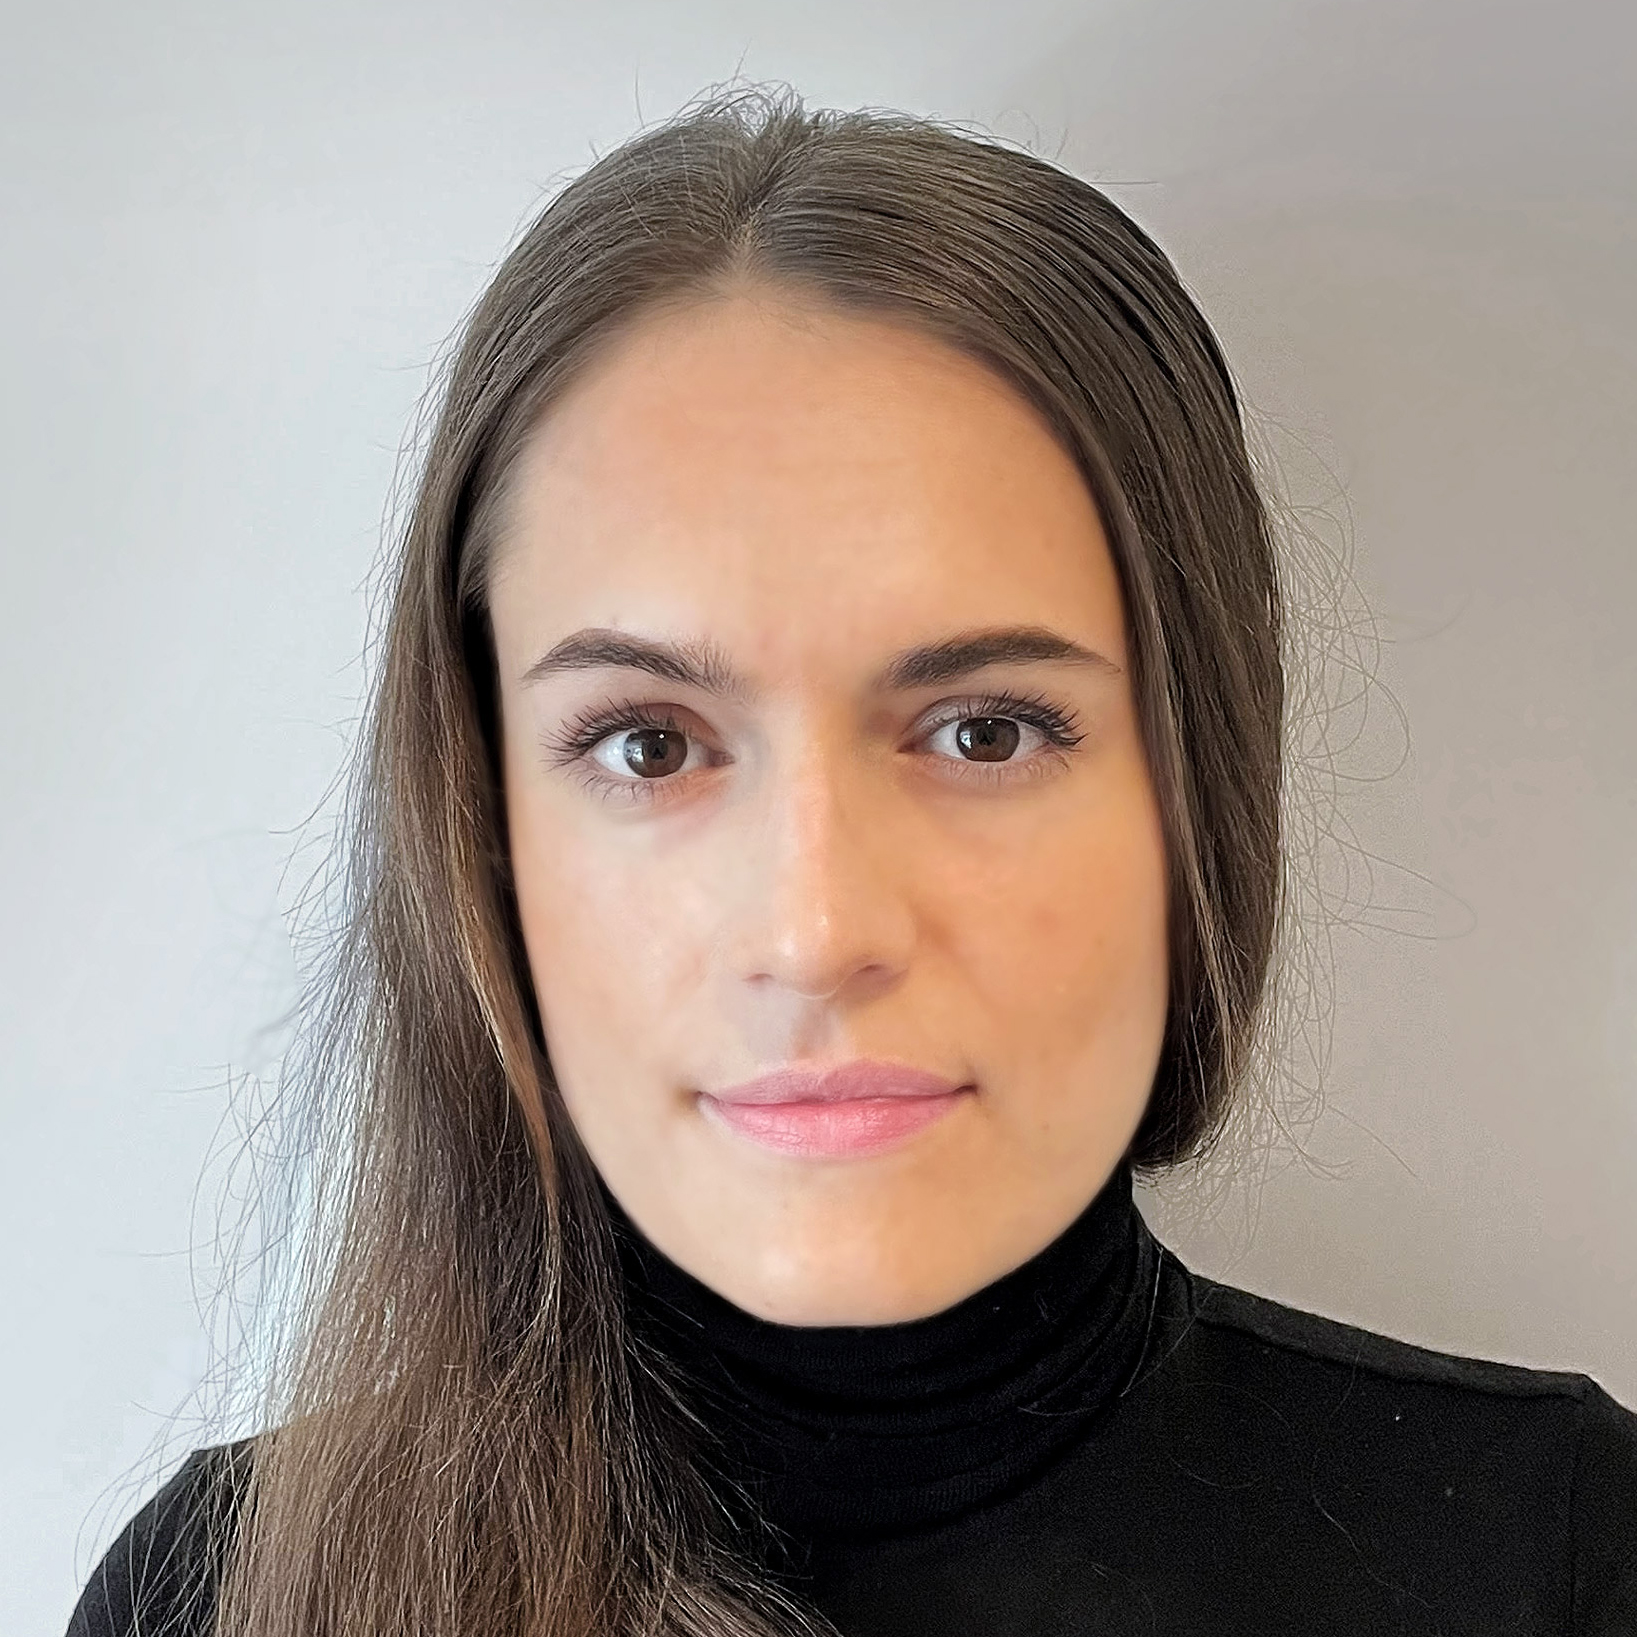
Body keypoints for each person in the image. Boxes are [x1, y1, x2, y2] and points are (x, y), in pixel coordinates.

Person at [68, 84, 1637, 1637]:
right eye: (649, 744)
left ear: (1192, 793)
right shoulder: (219, 1596)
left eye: (983, 732)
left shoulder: (1560, 1550)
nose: (814, 929)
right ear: (479, 825)